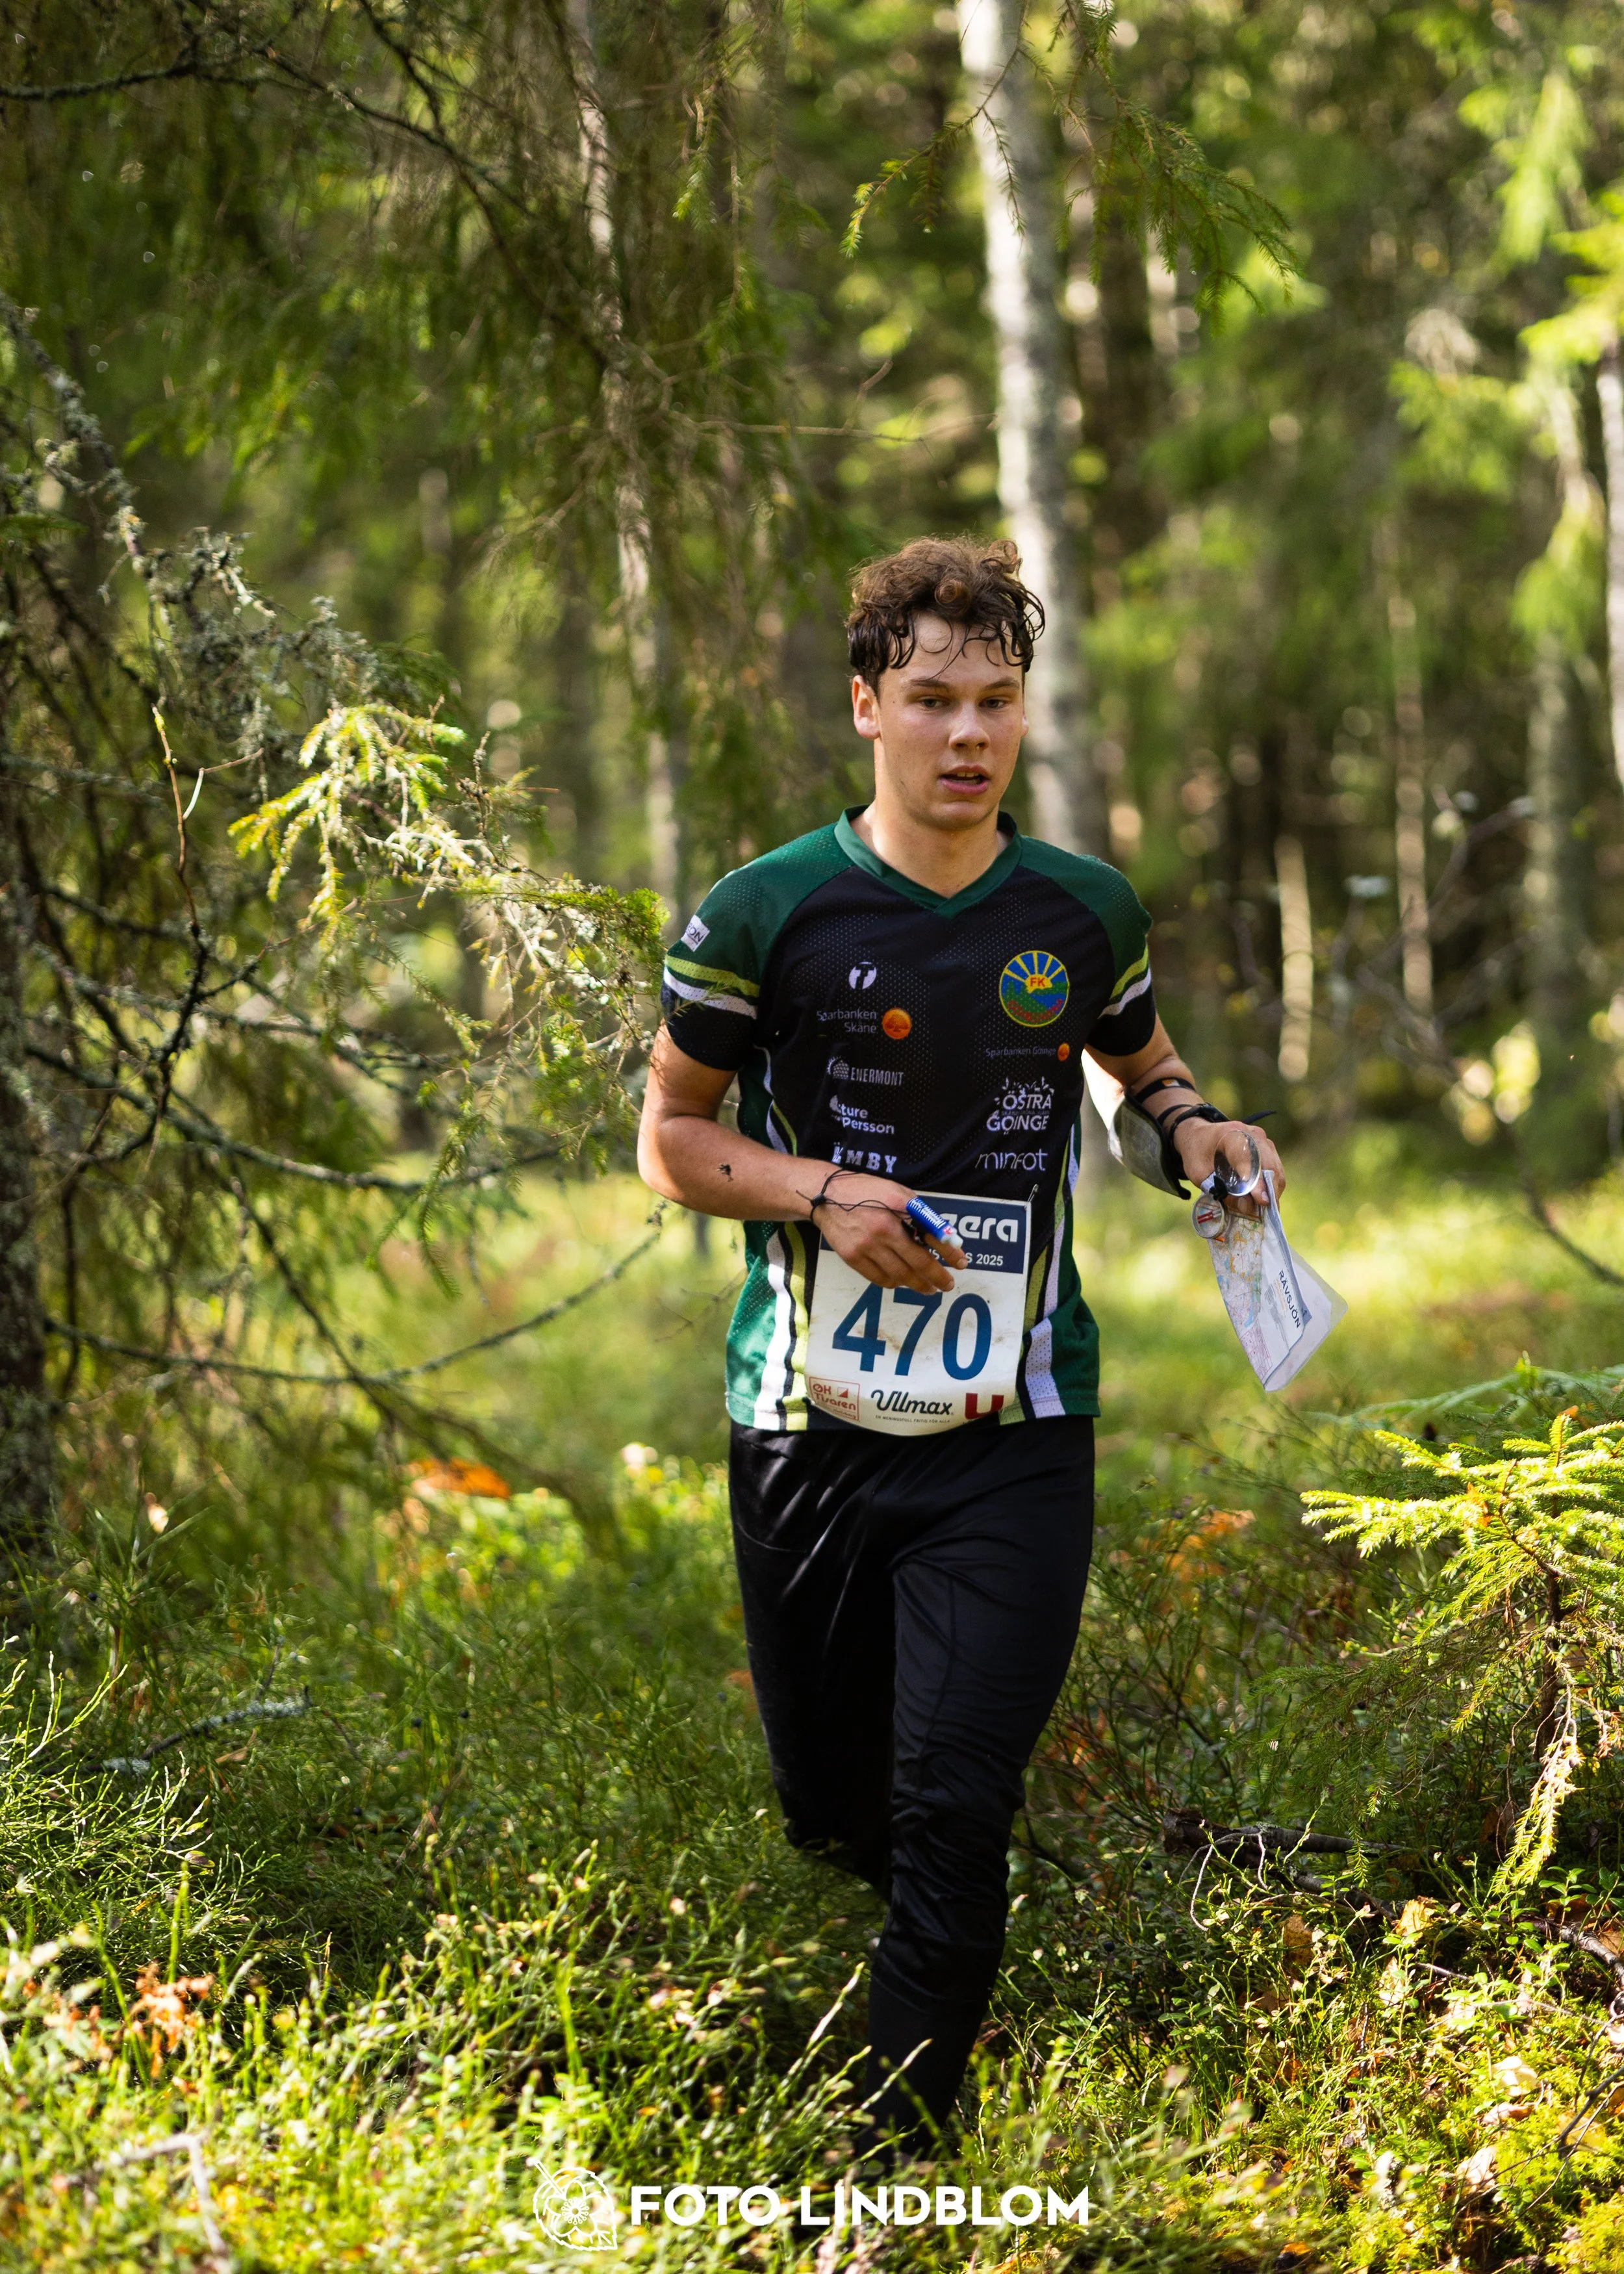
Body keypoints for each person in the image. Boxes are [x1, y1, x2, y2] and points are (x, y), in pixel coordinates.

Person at [637, 535, 1283, 2153]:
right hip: (807, 1421)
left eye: (995, 700)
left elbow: (1142, 1075)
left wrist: (1199, 1130)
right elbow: (669, 1135)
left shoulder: (1079, 909)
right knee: (836, 1805)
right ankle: (914, 1953)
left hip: (1016, 1421)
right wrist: (823, 1193)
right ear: (867, 706)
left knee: (952, 1801)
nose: (966, 735)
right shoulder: (761, 910)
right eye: (929, 700)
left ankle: (892, 2160)